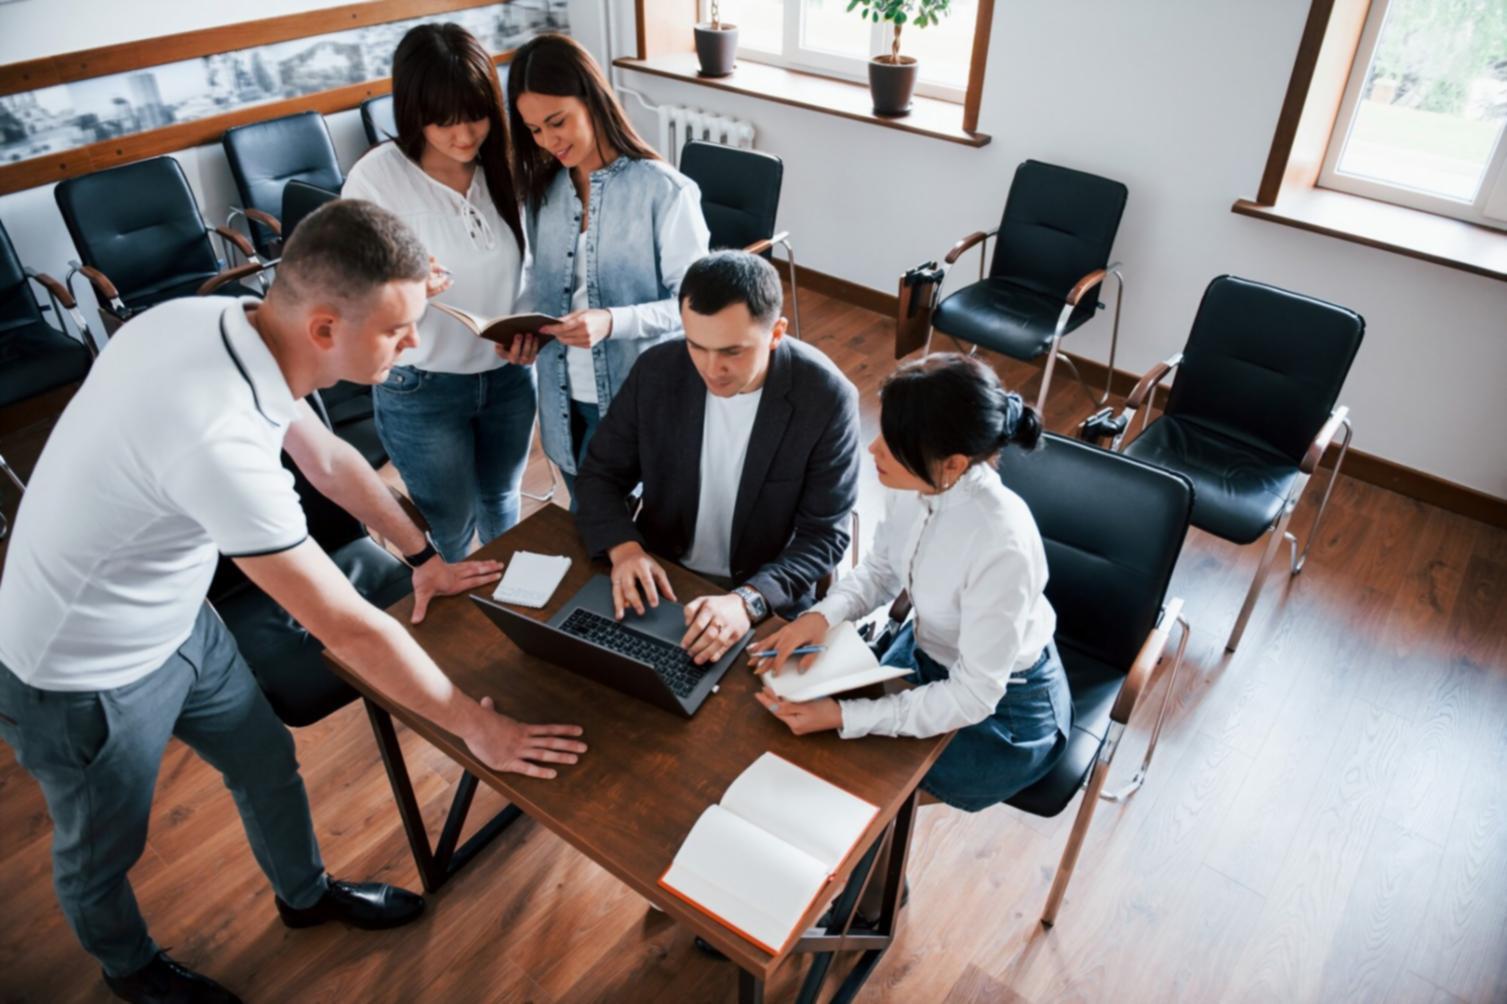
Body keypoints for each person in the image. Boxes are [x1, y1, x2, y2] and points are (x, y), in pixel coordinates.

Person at [0, 201, 587, 1004]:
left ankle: (305, 896)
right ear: (324, 328)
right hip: (77, 669)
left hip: (182, 616)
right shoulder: (215, 439)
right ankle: (128, 968)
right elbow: (345, 626)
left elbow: (328, 459)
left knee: (266, 764)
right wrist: (476, 727)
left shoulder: (220, 321)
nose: (414, 344)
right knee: (102, 849)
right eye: (397, 330)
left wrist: (424, 561)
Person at [755, 353, 1071, 814]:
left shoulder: (1001, 543)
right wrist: (822, 616)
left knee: (858, 793)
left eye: (892, 442)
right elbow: (882, 570)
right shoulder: (919, 483)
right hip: (926, 654)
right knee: (814, 753)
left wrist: (846, 715)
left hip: (1002, 711)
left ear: (953, 463)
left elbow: (973, 695)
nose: (873, 449)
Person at [574, 251, 861, 663]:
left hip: (765, 596)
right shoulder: (656, 370)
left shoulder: (827, 399)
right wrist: (625, 549)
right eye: (697, 346)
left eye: (732, 352)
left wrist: (748, 601)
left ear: (776, 333)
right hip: (661, 575)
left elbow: (824, 535)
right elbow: (600, 474)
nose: (711, 368)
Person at [341, 22, 534, 561]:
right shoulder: (376, 180)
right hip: (421, 387)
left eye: (476, 115)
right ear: (413, 112)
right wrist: (404, 285)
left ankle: (508, 601)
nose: (466, 136)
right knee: (449, 527)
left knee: (502, 503)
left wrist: (530, 328)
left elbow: (533, 266)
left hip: (508, 377)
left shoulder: (509, 165)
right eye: (444, 121)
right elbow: (347, 294)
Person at [501, 33, 710, 499]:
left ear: (592, 99)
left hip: (635, 399)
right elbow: (539, 281)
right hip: (559, 399)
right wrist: (518, 328)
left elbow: (696, 308)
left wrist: (612, 321)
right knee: (586, 520)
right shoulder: (543, 193)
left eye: (557, 122)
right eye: (534, 130)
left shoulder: (665, 191)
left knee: (615, 524)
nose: (548, 141)